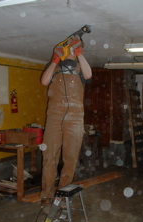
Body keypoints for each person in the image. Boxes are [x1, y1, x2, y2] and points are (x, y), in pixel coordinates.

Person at [40, 35, 92, 206]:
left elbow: (88, 74)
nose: (68, 50)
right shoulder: (53, 67)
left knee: (70, 159)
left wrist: (80, 53)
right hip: (54, 117)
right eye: (67, 47)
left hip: (75, 118)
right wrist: (55, 60)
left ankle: (61, 196)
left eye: (71, 48)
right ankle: (46, 196)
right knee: (49, 158)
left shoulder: (80, 66)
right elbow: (44, 81)